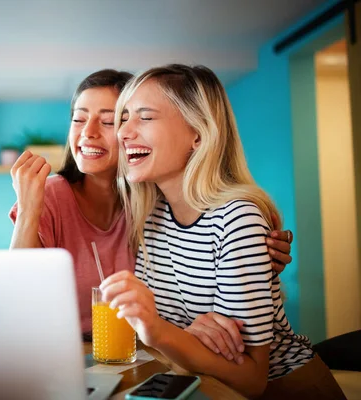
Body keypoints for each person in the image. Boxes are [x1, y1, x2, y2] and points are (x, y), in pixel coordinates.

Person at [101, 64, 345, 399]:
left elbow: (251, 379)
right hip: (203, 383)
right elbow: (179, 336)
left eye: (144, 116)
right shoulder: (153, 216)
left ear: (197, 134)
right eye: (124, 118)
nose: (123, 132)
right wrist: (184, 334)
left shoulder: (237, 219)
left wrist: (157, 331)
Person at [8, 69, 293, 338]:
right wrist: (28, 211)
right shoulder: (51, 196)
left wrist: (251, 254)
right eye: (78, 119)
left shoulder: (154, 200)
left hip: (144, 356)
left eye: (109, 121)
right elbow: (16, 300)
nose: (88, 132)